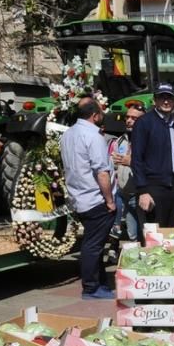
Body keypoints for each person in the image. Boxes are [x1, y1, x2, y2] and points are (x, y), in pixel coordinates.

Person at [60, 99, 117, 299]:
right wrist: (109, 200)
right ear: (95, 115)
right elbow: (101, 171)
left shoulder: (68, 134)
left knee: (95, 243)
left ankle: (100, 283)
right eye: (101, 111)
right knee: (93, 245)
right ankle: (91, 287)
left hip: (79, 197)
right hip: (95, 199)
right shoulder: (93, 136)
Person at [130, 82, 174, 228]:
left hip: (173, 187)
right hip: (153, 188)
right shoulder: (144, 123)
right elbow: (137, 159)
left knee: (170, 233)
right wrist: (143, 191)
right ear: (155, 100)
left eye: (169, 98)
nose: (166, 101)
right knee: (154, 236)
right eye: (162, 97)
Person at [111, 101, 145, 241]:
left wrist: (130, 162)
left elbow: (153, 166)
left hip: (139, 195)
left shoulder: (147, 140)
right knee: (132, 235)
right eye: (128, 117)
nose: (129, 121)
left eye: (134, 118)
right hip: (123, 193)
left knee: (145, 232)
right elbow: (115, 165)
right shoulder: (121, 141)